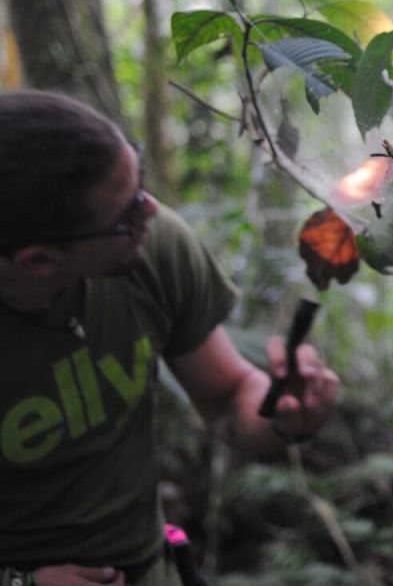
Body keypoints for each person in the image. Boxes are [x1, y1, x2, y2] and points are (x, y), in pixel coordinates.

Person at [0, 90, 340, 586]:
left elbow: (227, 402)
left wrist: (286, 414)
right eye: (128, 214)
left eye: (140, 183)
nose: (153, 211)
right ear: (39, 260)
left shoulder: (153, 250)